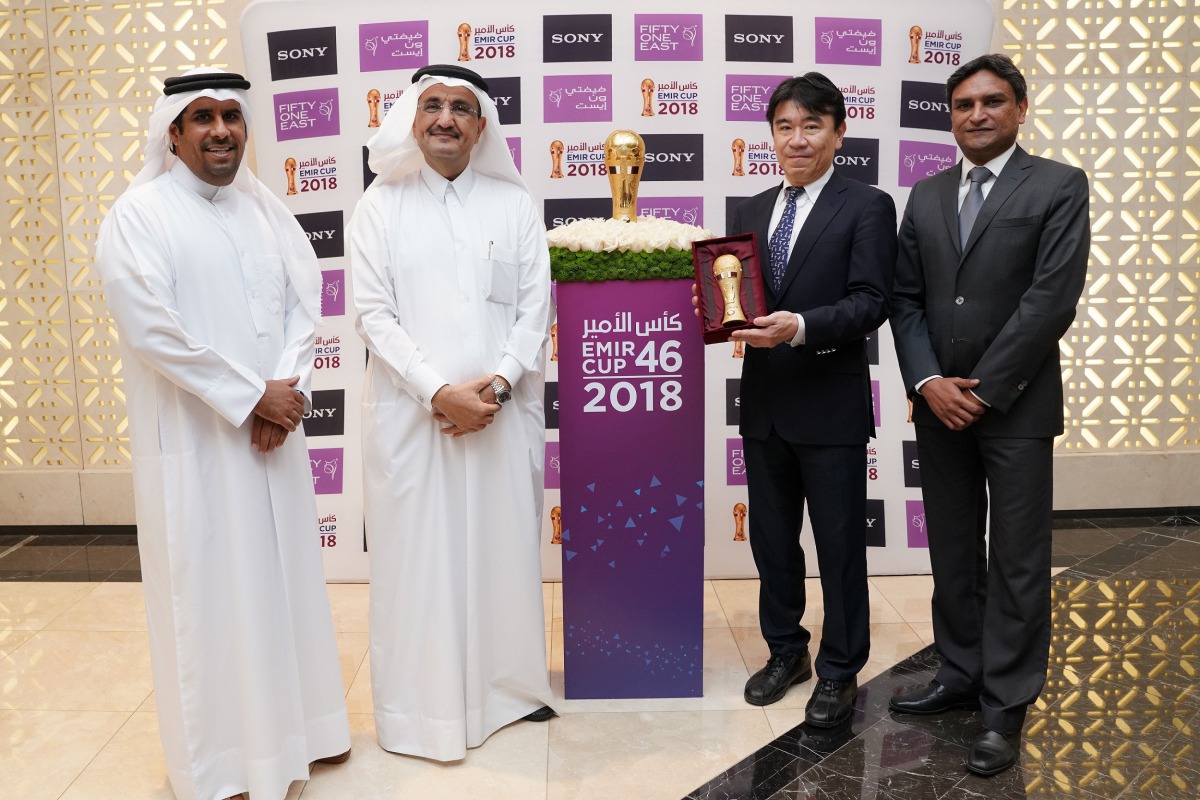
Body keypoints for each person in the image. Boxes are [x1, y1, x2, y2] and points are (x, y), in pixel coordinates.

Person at [95, 68, 350, 800]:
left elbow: (305, 305)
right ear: (172, 133)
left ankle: (306, 734)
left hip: (272, 436)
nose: (220, 131)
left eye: (232, 117)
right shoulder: (139, 215)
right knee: (211, 600)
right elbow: (152, 328)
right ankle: (225, 767)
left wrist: (286, 391)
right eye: (202, 117)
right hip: (198, 445)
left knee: (285, 587)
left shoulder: (264, 209)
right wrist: (251, 397)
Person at [888, 53, 1090, 776]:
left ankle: (1005, 706)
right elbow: (906, 299)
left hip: (1017, 407)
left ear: (1020, 108)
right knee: (951, 551)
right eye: (964, 104)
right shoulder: (926, 194)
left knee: (1017, 560)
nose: (976, 114)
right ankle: (959, 673)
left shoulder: (1059, 184)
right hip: (937, 407)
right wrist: (928, 382)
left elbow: (1051, 299)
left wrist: (982, 389)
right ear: (951, 116)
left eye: (992, 101)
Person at [348, 63, 554, 762]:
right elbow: (373, 315)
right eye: (432, 105)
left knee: (501, 551)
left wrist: (496, 387)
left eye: (460, 108)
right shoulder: (381, 205)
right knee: (419, 564)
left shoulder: (513, 205)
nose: (445, 118)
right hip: (414, 420)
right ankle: (420, 711)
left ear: (480, 125)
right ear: (412, 119)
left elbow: (534, 309)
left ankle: (509, 692)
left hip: (500, 415)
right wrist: (439, 392)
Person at [724, 73, 896, 725]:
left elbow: (871, 302)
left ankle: (840, 669)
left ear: (839, 132)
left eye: (812, 125)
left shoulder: (867, 205)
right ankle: (786, 651)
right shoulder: (748, 211)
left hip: (830, 406)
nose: (797, 139)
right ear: (772, 134)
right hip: (765, 406)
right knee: (773, 543)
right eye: (785, 127)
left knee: (840, 546)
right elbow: (736, 298)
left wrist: (799, 326)